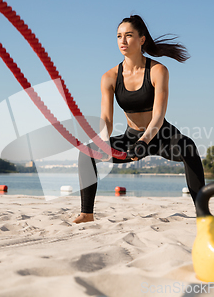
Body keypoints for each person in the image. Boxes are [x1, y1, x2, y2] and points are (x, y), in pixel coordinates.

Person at [74, 15, 205, 224]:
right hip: (131, 137)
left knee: (189, 147)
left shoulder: (158, 70)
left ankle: (203, 213)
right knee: (87, 153)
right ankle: (86, 214)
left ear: (142, 39)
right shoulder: (109, 77)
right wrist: (102, 140)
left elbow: (159, 115)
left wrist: (145, 141)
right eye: (119, 36)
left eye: (128, 36)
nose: (122, 41)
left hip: (160, 135)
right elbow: (107, 119)